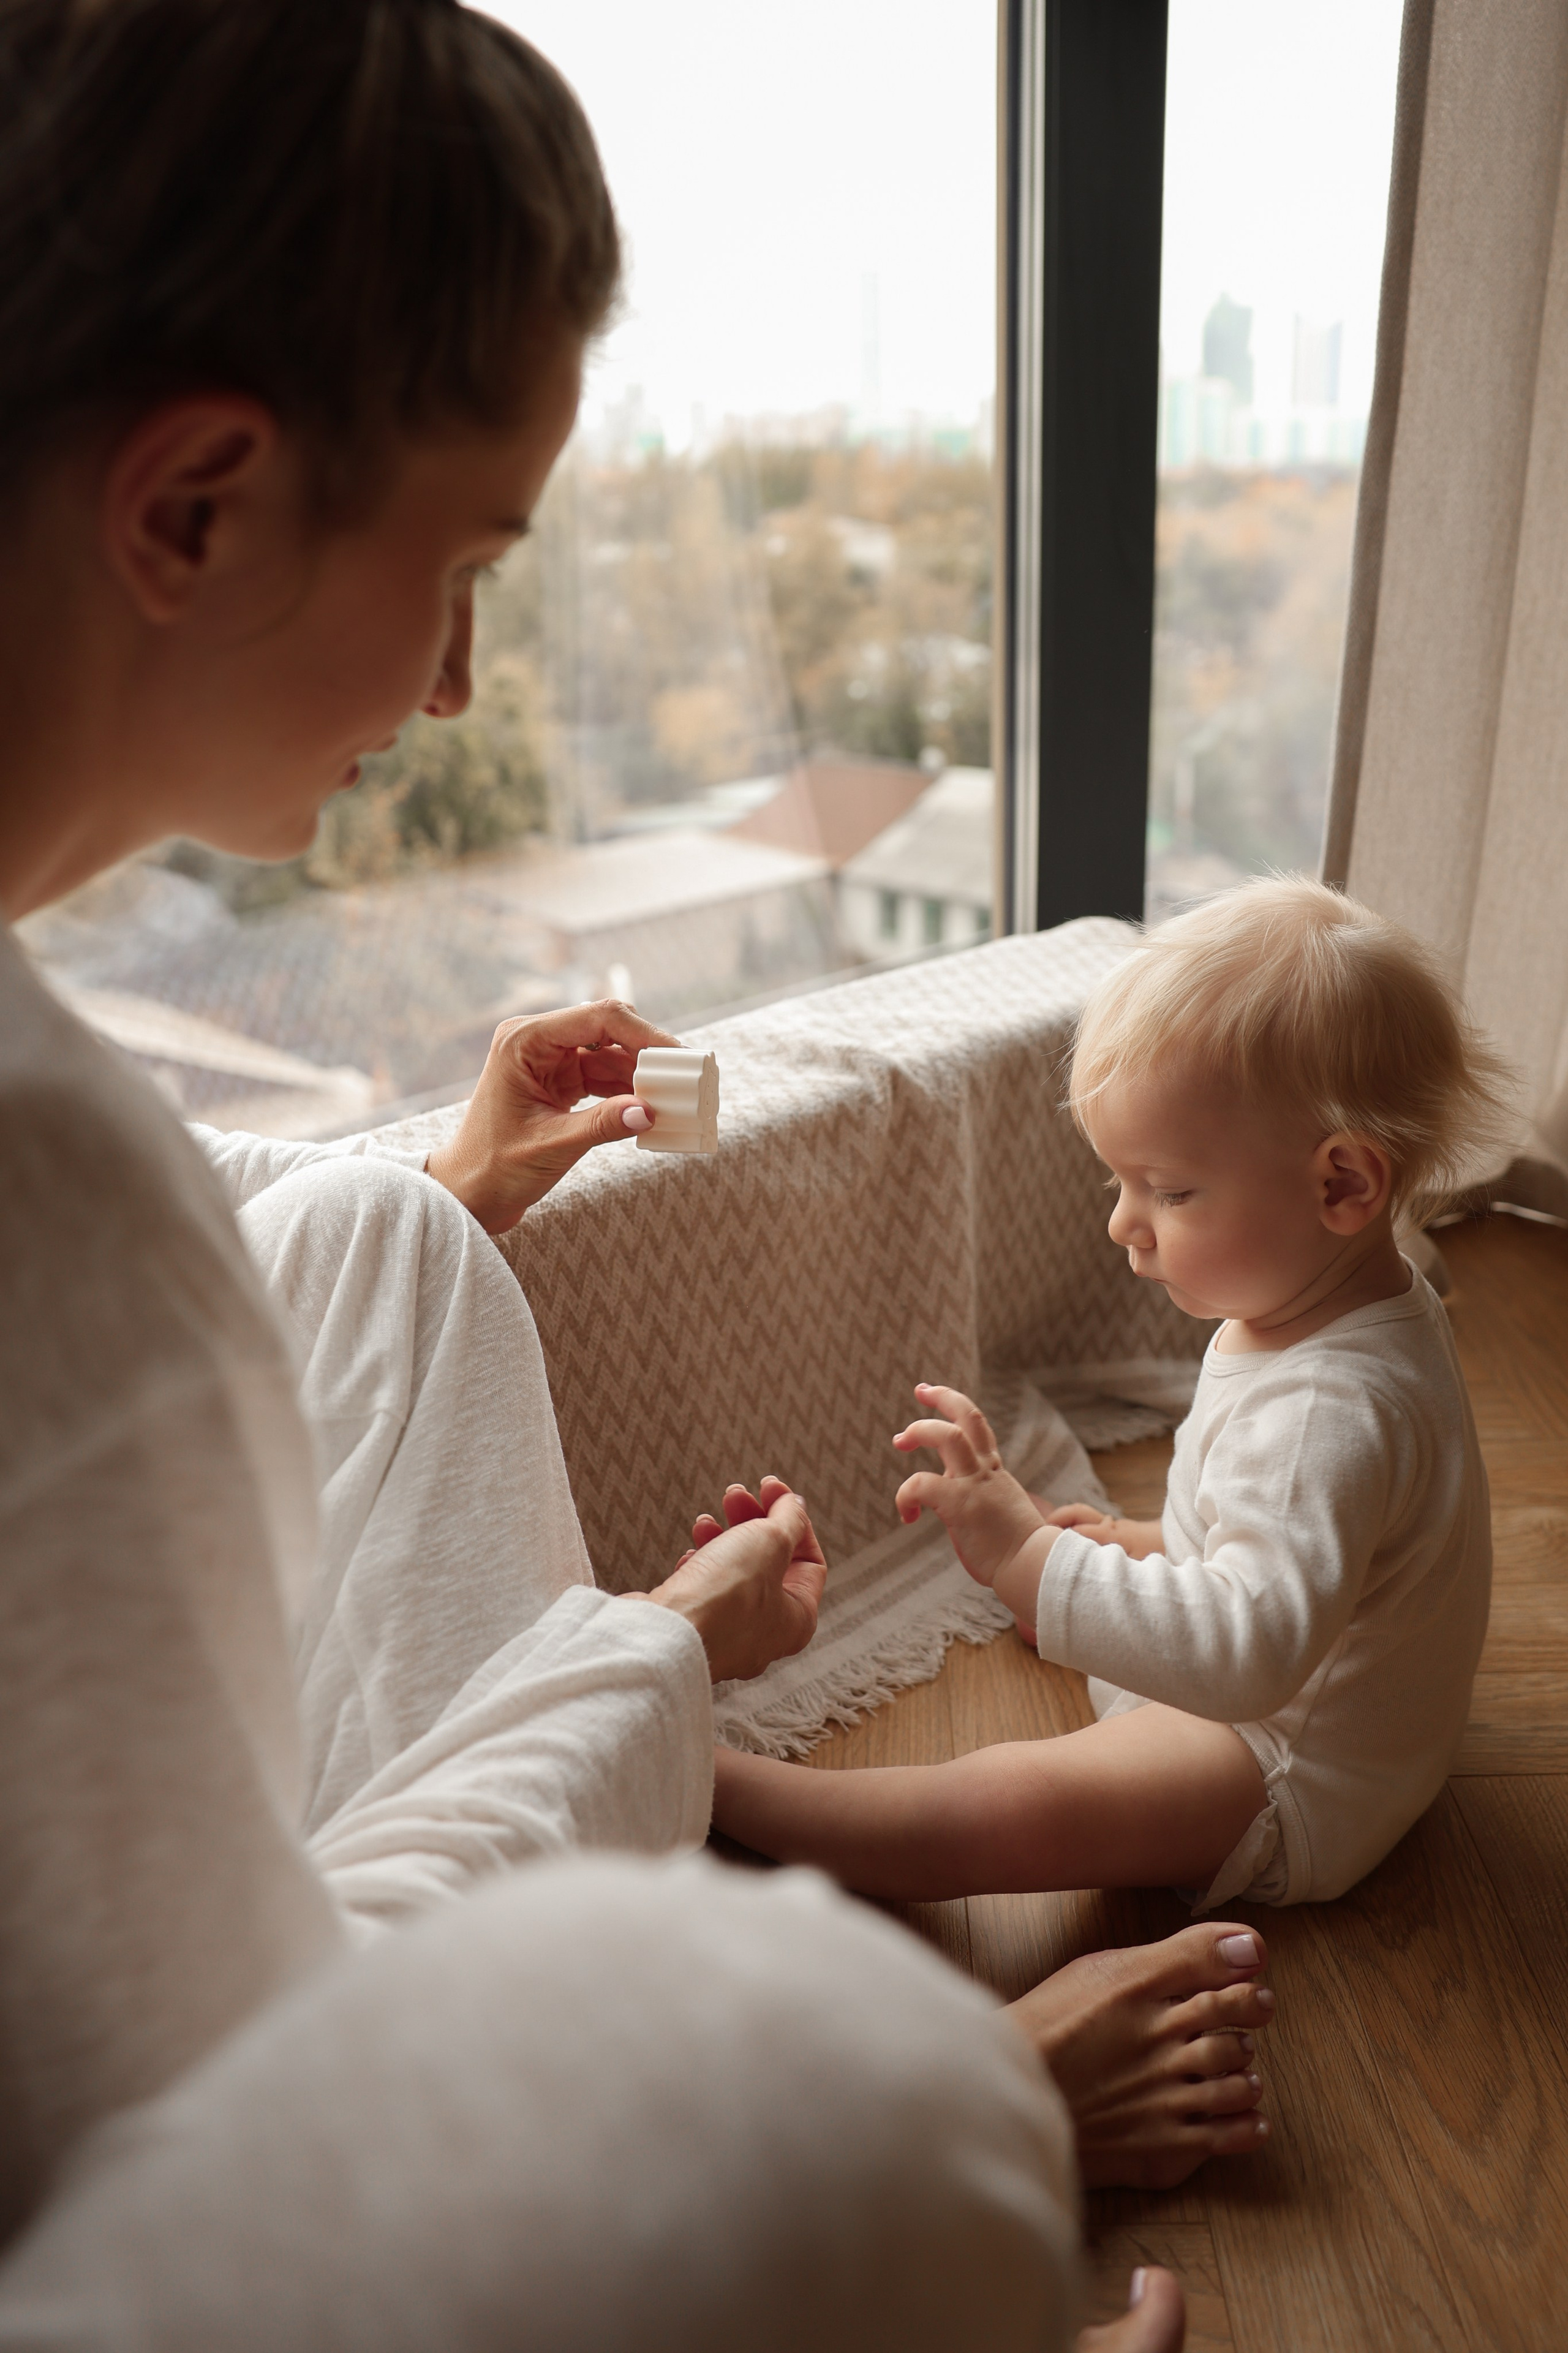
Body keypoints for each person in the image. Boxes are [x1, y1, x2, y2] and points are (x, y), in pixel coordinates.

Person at [0, 4, 1275, 2344]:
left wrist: (465, 1181)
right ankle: (937, 2112)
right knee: (889, 2109)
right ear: (194, 504)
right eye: (469, 557)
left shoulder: (69, 1175)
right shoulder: (55, 1193)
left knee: (375, 1226)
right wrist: (642, 1662)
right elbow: (222, 2150)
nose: (468, 681)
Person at [714, 878, 1514, 1916]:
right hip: (1340, 1704)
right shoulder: (1346, 1301)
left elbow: (1248, 1658)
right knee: (1095, 1589)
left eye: (1171, 1190)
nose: (1124, 1225)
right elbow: (1305, 1542)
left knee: (1008, 1806)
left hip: (1289, 1767)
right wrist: (1145, 1541)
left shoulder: (1330, 1410)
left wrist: (1027, 1559)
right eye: (1119, 1184)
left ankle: (720, 1785)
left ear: (1344, 1186)